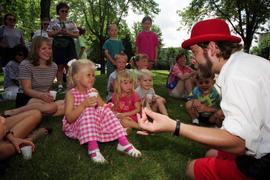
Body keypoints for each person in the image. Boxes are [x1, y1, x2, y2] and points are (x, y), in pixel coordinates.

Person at [138, 18, 270, 179]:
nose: (194, 60)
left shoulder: (237, 76)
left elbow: (238, 143)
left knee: (192, 168)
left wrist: (175, 126)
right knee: (211, 153)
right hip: (262, 143)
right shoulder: (248, 63)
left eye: (195, 52)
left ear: (212, 48)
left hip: (264, 162)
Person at [63, 59, 141, 164]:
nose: (92, 78)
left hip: (93, 124)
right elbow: (69, 118)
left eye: (93, 75)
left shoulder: (93, 91)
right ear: (76, 77)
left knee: (106, 110)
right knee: (89, 109)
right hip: (76, 126)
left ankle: (123, 143)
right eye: (88, 75)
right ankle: (93, 149)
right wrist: (83, 105)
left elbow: (103, 105)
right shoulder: (71, 94)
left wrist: (113, 112)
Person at [4, 37, 64, 117]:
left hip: (44, 99)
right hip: (27, 97)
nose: (48, 51)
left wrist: (47, 96)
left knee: (67, 103)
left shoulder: (54, 66)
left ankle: (36, 114)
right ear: (35, 50)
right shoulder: (26, 65)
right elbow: (26, 90)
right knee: (52, 107)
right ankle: (15, 112)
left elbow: (48, 88)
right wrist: (41, 96)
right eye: (43, 48)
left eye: (49, 48)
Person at [47, 2, 79, 91]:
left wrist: (67, 33)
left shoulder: (71, 22)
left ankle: (70, 85)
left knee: (70, 65)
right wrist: (59, 32)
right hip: (58, 44)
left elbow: (77, 34)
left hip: (69, 44)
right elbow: (49, 33)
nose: (64, 13)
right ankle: (60, 85)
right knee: (59, 66)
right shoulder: (53, 21)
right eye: (62, 11)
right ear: (58, 11)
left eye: (66, 11)